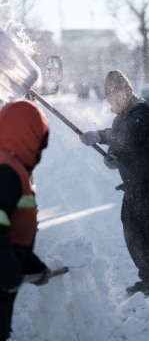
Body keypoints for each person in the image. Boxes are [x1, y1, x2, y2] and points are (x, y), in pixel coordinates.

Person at [80, 70, 149, 297]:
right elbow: (119, 148)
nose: (110, 101)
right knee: (133, 233)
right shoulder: (120, 118)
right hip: (136, 186)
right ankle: (148, 278)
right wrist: (111, 158)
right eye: (108, 97)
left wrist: (100, 135)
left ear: (125, 92)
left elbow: (128, 136)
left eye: (113, 96)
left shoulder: (142, 111)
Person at [0, 100, 51, 341]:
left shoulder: (10, 167)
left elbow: (11, 235)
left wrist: (31, 265)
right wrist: (8, 273)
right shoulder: (5, 170)